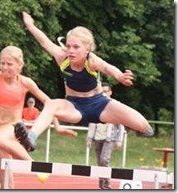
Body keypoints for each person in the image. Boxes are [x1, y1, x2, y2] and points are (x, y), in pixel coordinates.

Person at [19, 11, 153, 150]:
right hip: (74, 106)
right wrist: (30, 25)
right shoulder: (62, 56)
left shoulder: (92, 60)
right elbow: (44, 41)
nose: (71, 50)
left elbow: (107, 67)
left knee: (145, 127)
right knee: (51, 104)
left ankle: (139, 126)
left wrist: (119, 76)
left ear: (87, 49)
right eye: (69, 46)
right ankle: (31, 138)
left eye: (76, 47)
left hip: (100, 105)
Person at [0, 45, 77, 189]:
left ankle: (36, 166)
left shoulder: (25, 82)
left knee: (1, 138)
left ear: (19, 65)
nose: (4, 67)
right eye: (2, 63)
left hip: (14, 130)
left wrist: (58, 127)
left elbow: (50, 104)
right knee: (6, 185)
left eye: (9, 64)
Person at [86, 82, 125, 189]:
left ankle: (107, 185)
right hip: (98, 137)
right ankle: (101, 185)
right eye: (101, 91)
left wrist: (119, 140)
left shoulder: (115, 104)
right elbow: (92, 122)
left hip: (109, 137)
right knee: (99, 162)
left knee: (104, 160)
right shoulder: (95, 104)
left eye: (106, 91)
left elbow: (121, 123)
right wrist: (89, 138)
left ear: (110, 92)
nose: (104, 94)